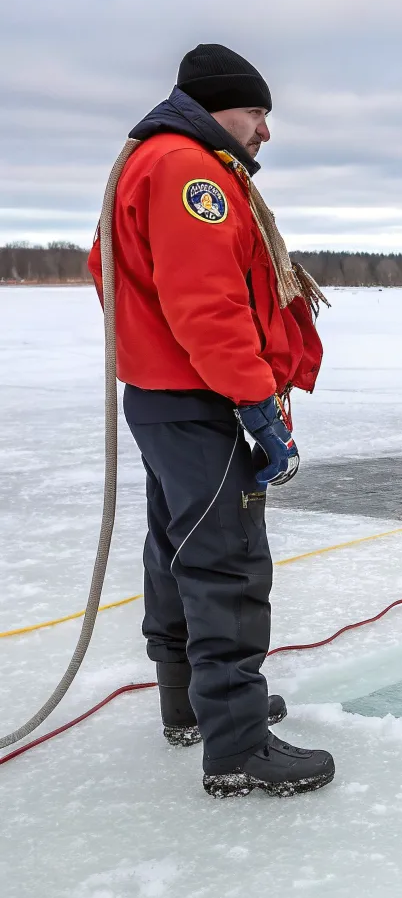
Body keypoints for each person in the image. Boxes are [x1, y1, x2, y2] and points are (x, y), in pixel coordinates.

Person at [86, 44, 334, 798]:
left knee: (178, 550)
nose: (265, 130)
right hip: (197, 396)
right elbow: (208, 304)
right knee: (226, 563)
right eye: (256, 112)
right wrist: (257, 404)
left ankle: (191, 705)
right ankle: (237, 746)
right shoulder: (190, 172)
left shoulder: (155, 161)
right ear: (218, 106)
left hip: (166, 394)